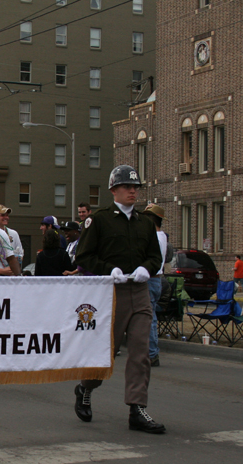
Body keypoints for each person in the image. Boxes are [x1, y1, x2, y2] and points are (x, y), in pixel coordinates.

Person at [74, 164, 165, 434]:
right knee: (106, 352)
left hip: (138, 291)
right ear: (113, 189)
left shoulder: (145, 223)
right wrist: (107, 270)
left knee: (140, 352)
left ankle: (137, 408)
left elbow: (155, 257)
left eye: (135, 187)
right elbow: (84, 256)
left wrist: (146, 269)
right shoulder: (99, 220)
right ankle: (85, 388)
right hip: (110, 293)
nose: (132, 191)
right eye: (127, 186)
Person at [142, 204, 168, 368]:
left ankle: (152, 354)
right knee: (150, 317)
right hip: (156, 279)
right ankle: (150, 351)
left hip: (151, 278)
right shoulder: (162, 236)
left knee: (149, 317)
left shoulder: (156, 238)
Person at [0, 205, 23, 276]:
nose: (6, 217)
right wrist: (1, 270)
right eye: (3, 215)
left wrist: (16, 261)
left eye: (7, 215)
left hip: (11, 275)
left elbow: (20, 254)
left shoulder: (13, 234)